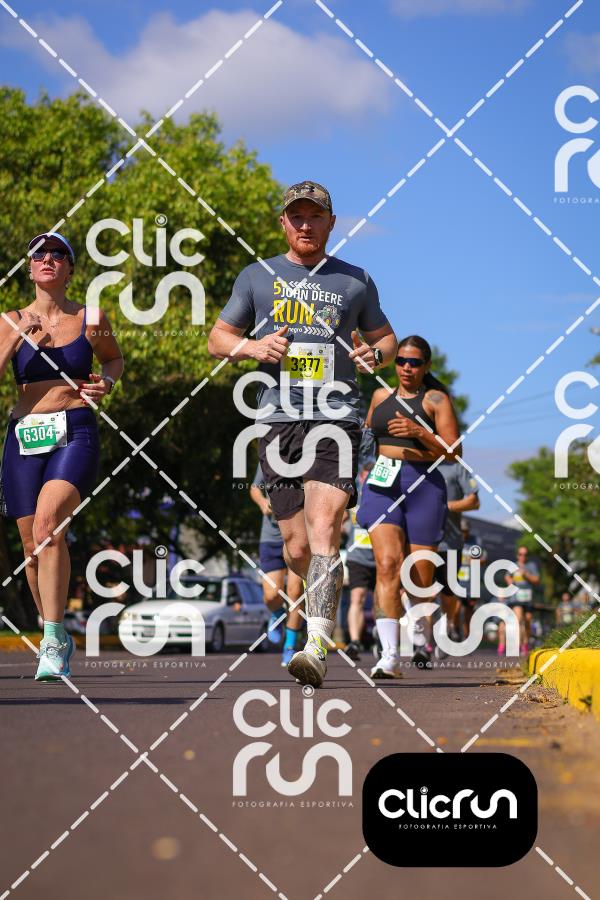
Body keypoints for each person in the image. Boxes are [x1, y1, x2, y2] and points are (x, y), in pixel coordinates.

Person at [208, 180, 397, 687]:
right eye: (297, 216)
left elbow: (386, 339)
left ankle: (315, 644)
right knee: (296, 547)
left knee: (325, 522)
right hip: (278, 419)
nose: (306, 225)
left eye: (316, 216)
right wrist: (253, 348)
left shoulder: (355, 281)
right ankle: (319, 597)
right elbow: (217, 338)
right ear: (284, 223)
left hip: (336, 414)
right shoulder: (257, 276)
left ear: (331, 223)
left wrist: (375, 355)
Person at [0, 232, 123, 680]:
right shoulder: (9, 319)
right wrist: (15, 339)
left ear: (70, 268)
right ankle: (56, 632)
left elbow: (113, 360)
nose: (48, 258)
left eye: (58, 253)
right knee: (31, 548)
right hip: (23, 436)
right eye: (40, 253)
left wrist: (107, 383)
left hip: (75, 430)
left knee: (49, 526)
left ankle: (51, 641)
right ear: (30, 267)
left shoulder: (92, 318)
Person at [357, 335, 461, 677]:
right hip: (382, 482)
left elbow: (454, 452)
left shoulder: (436, 399)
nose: (406, 367)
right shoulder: (380, 396)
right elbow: (366, 439)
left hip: (423, 485)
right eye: (401, 360)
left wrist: (419, 430)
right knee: (387, 564)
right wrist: (356, 475)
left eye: (414, 363)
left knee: (419, 577)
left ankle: (421, 631)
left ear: (426, 366)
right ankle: (389, 657)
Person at [250, 463, 305, 666]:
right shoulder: (270, 456)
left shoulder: (310, 458)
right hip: (271, 536)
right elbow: (254, 488)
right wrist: (262, 502)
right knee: (271, 595)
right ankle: (277, 613)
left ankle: (289, 646)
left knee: (295, 593)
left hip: (300, 535)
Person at [435, 465, 480, 647]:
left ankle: (448, 626)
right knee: (424, 591)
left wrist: (445, 506)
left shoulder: (456, 468)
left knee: (448, 593)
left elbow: (474, 502)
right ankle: (424, 641)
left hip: (450, 544)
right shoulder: (412, 461)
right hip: (421, 540)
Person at [344, 463, 376, 661]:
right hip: (357, 557)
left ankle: (382, 640)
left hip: (381, 557)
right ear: (361, 477)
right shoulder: (352, 496)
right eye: (365, 476)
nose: (367, 480)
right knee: (357, 597)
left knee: (381, 600)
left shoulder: (383, 496)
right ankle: (354, 642)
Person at [499, 545, 540, 656]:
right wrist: (510, 581)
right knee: (518, 619)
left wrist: (526, 574)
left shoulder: (531, 566)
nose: (523, 556)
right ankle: (518, 645)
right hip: (516, 599)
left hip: (528, 599)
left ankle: (525, 643)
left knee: (527, 621)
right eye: (520, 554)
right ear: (517, 555)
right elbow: (507, 576)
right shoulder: (513, 566)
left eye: (525, 554)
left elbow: (537, 580)